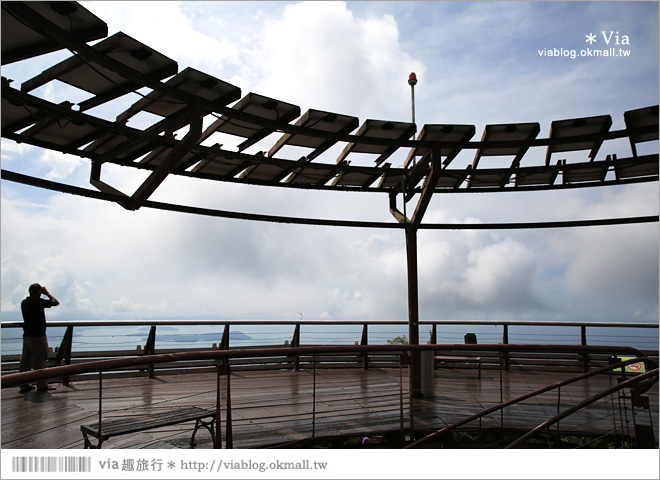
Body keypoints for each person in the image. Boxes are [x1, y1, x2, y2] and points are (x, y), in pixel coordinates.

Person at [18, 283, 59, 392]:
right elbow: (56, 302)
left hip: (27, 336)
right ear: (39, 292)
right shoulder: (38, 302)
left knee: (25, 361)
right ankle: (42, 385)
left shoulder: (24, 303)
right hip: (38, 336)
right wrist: (47, 293)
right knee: (39, 361)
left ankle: (24, 385)